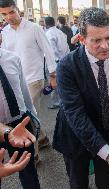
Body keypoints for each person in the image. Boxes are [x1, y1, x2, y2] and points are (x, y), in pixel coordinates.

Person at [52, 7, 109, 189]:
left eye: (108, 38)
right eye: (97, 40)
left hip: (108, 135)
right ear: (81, 39)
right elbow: (75, 115)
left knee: (106, 183)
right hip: (75, 137)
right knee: (78, 183)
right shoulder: (67, 66)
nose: (105, 46)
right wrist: (107, 153)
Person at [0, 0, 56, 165]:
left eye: (11, 12)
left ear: (18, 10)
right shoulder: (5, 32)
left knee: (27, 116)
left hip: (33, 79)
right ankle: (43, 138)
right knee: (28, 115)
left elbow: (48, 51)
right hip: (14, 82)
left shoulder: (34, 28)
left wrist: (53, 76)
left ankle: (33, 156)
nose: (8, 17)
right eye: (4, 14)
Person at [0, 48, 40, 188]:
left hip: (20, 123)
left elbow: (23, 89)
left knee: (28, 168)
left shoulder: (12, 58)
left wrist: (32, 114)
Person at [44, 16, 70, 109]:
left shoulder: (49, 34)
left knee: (53, 82)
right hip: (63, 59)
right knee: (61, 81)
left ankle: (56, 102)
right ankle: (62, 100)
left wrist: (54, 61)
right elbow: (66, 47)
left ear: (46, 23)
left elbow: (51, 50)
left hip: (54, 61)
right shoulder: (60, 32)